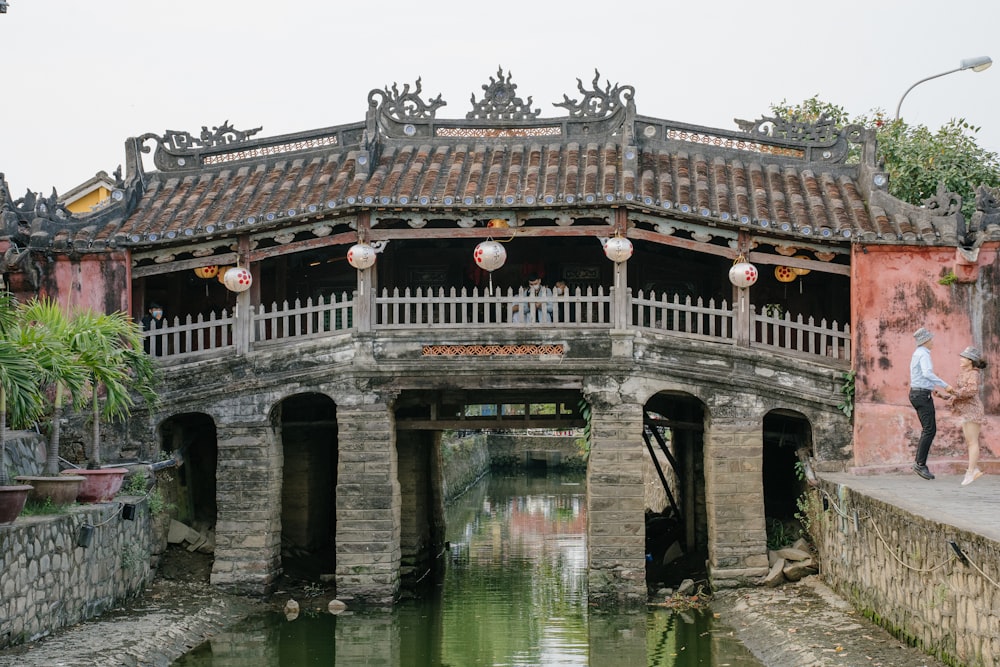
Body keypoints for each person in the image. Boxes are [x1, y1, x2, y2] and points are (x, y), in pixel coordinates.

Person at [909, 327, 954, 480]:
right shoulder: (924, 354)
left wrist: (932, 389)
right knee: (929, 430)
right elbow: (927, 373)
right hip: (921, 395)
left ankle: (920, 463)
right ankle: (920, 464)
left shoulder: (917, 353)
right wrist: (945, 385)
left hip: (918, 393)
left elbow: (920, 376)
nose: (933, 342)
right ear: (926, 341)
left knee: (928, 429)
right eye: (931, 339)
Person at [947, 346, 988, 486]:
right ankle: (972, 470)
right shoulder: (965, 373)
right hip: (966, 411)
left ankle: (971, 472)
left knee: (972, 442)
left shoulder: (973, 374)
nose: (961, 359)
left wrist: (954, 393)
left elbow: (971, 391)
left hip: (973, 410)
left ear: (970, 360)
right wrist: (945, 395)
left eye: (963, 357)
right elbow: (960, 392)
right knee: (970, 442)